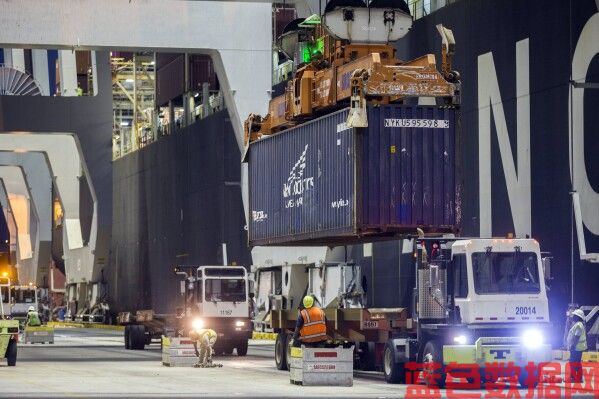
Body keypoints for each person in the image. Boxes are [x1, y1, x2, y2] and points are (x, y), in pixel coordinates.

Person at [566, 308, 587, 383]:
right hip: (578, 348)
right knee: (576, 363)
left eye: (574, 315)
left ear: (578, 317)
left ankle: (573, 378)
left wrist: (572, 346)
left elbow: (576, 337)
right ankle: (578, 378)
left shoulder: (578, 325)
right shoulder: (578, 324)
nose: (573, 316)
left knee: (573, 362)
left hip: (576, 348)